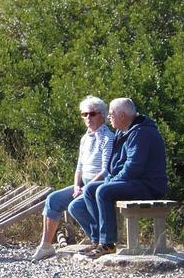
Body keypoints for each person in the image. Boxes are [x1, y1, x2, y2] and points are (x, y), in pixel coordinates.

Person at [68, 98, 168, 259]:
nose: (109, 118)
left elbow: (133, 168)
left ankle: (108, 243)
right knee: (90, 190)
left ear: (122, 115)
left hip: (149, 184)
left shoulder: (142, 133)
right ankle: (98, 240)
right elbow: (116, 165)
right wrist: (111, 179)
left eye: (112, 114)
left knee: (103, 191)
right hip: (133, 181)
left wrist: (111, 181)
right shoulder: (124, 132)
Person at [31, 96, 114, 261]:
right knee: (53, 199)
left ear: (102, 115)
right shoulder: (85, 138)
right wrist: (77, 186)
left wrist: (86, 187)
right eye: (84, 115)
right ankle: (46, 245)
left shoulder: (107, 137)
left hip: (98, 185)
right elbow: (79, 167)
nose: (88, 118)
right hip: (83, 184)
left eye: (92, 114)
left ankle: (97, 240)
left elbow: (105, 170)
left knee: (75, 207)